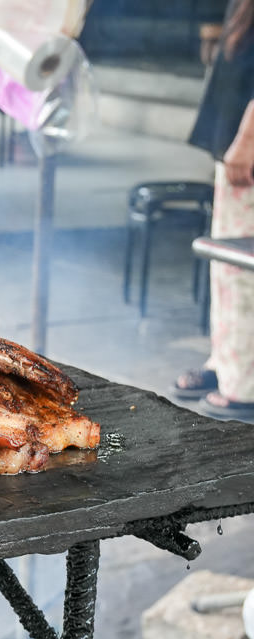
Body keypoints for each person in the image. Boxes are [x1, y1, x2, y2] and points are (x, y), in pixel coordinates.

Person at [175, 0, 254, 420]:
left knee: (240, 266)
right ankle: (226, 360)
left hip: (250, 138)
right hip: (237, 131)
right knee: (225, 262)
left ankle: (243, 383)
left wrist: (247, 138)